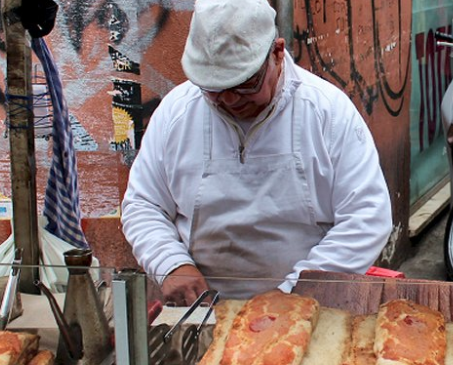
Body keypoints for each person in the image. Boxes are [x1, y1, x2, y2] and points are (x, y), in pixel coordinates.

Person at [121, 0, 393, 304]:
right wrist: (170, 263)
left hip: (310, 306)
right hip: (203, 308)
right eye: (213, 87)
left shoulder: (327, 112)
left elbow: (366, 215)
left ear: (276, 53)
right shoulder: (177, 113)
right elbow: (144, 203)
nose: (229, 100)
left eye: (244, 84)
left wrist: (295, 293)